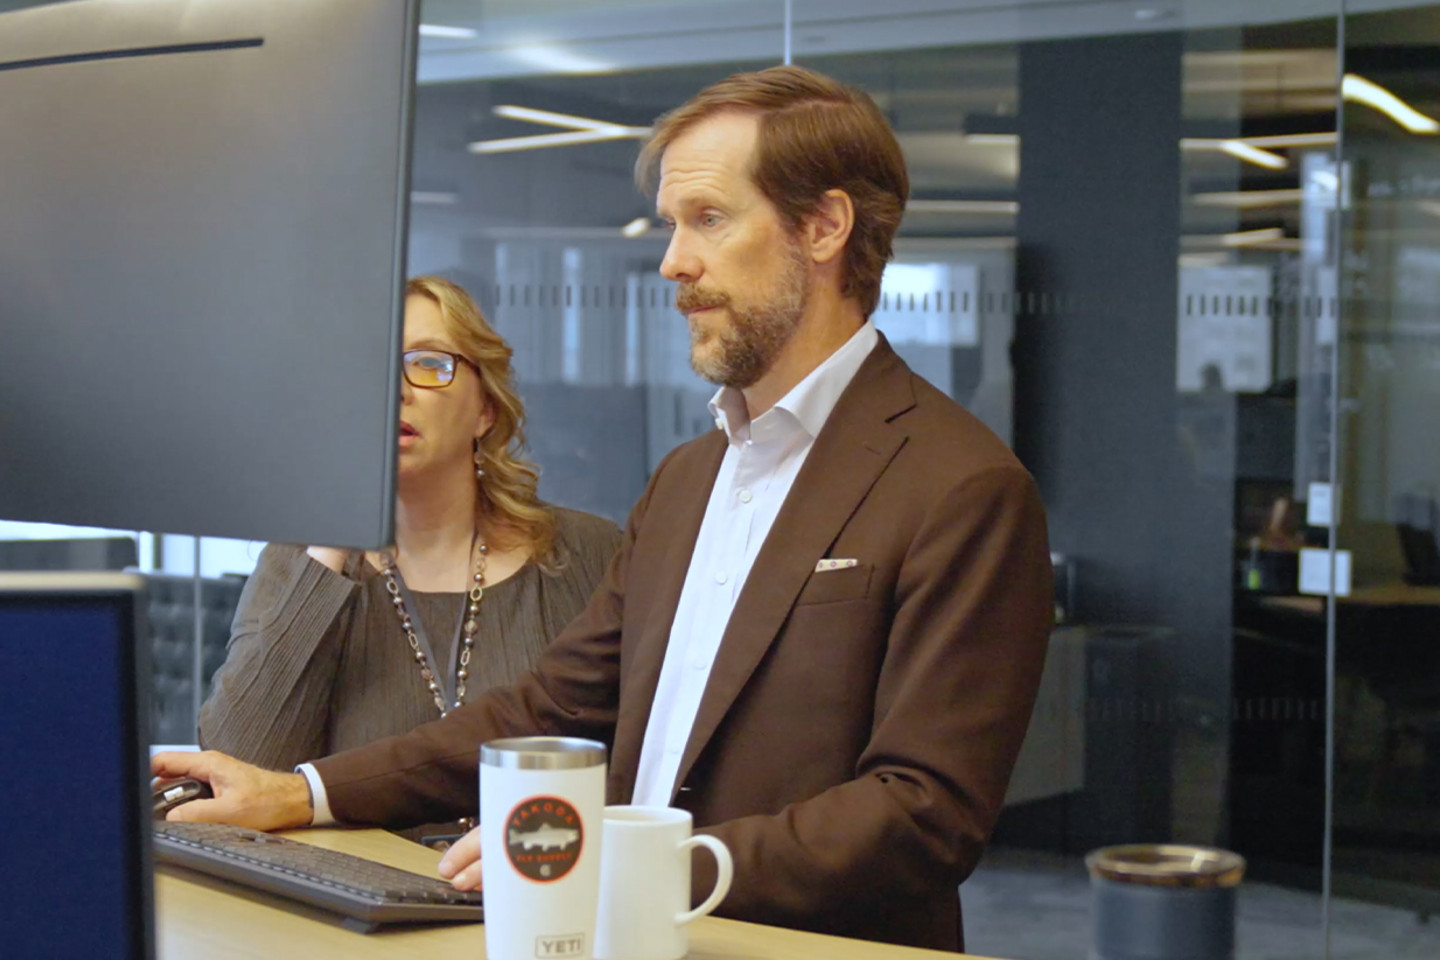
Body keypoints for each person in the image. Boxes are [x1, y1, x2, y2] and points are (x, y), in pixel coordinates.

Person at [154, 66, 1052, 952]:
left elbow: (924, 811)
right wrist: (304, 792)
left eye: (708, 219)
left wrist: (641, 866)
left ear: (822, 227)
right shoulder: (690, 477)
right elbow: (550, 706)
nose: (673, 262)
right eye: (671, 225)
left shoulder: (962, 486)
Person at [196, 275, 622, 838]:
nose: (393, 390)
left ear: (485, 412)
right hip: (356, 906)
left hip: (538, 886)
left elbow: (634, 758)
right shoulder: (300, 563)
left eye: (428, 364)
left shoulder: (584, 552)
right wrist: (335, 529)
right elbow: (237, 767)